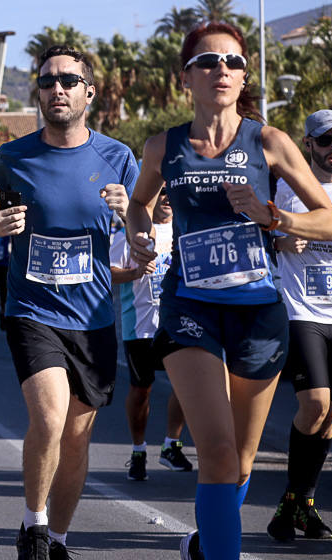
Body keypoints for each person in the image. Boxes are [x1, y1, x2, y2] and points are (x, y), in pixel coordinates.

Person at [126, 23, 332, 560]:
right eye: (208, 61)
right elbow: (138, 205)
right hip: (190, 307)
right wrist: (139, 234)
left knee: (241, 463)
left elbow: (330, 222)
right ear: (186, 78)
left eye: (233, 61)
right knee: (217, 453)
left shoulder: (269, 141)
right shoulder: (162, 146)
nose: (222, 69)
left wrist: (272, 215)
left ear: (243, 75)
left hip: (258, 313)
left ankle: (208, 540)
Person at [0, 45, 136, 560]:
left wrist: (132, 210)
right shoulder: (12, 158)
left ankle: (59, 540)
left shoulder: (117, 157)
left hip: (93, 317)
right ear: (38, 92)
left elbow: (146, 227)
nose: (56, 88)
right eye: (47, 81)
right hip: (33, 311)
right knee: (49, 419)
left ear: (89, 92)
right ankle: (35, 525)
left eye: (68, 80)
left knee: (78, 438)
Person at [265, 108, 332, 543]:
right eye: (325, 141)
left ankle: (298, 505)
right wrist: (284, 238)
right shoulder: (286, 184)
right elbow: (261, 234)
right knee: (315, 404)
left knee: (330, 419)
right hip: (302, 310)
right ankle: (295, 501)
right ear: (307, 144)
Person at [108, 191, 191, 482]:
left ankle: (171, 445)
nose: (168, 197)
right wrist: (134, 273)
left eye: (172, 191)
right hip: (140, 326)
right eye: (161, 192)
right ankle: (138, 451)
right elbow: (107, 272)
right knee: (141, 389)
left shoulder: (186, 229)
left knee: (187, 383)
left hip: (177, 323)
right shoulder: (132, 234)